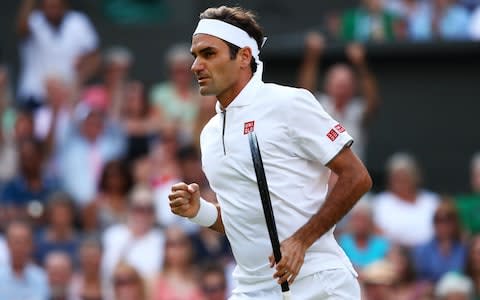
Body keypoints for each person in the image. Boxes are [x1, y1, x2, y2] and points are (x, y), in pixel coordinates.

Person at [168, 5, 372, 299]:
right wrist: (199, 211)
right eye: (195, 55)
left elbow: (357, 176)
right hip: (251, 290)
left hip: (318, 283)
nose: (196, 66)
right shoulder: (210, 134)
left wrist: (301, 241)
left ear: (244, 57)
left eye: (209, 54)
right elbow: (247, 220)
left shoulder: (288, 103)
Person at [297, 32, 380, 162]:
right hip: (323, 177)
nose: (342, 87)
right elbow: (305, 91)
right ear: (327, 85)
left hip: (354, 177)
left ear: (353, 88)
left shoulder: (357, 110)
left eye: (346, 83)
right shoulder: (320, 106)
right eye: (338, 83)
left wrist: (360, 63)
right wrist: (312, 56)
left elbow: (373, 100)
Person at [16, 0, 100, 108]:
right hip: (34, 95)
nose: (52, 10)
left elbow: (95, 57)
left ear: (65, 5)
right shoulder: (34, 21)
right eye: (49, 6)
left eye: (56, 6)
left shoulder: (78, 22)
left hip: (69, 96)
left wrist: (81, 75)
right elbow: (21, 29)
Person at [372, 152, 440, 247]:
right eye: (397, 178)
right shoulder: (380, 202)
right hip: (393, 254)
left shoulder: (432, 201)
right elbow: (375, 233)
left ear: (415, 177)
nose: (401, 182)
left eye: (405, 177)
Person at [413, 199, 467, 283]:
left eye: (448, 220)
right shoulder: (422, 250)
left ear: (456, 222)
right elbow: (421, 279)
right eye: (438, 220)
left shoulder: (466, 248)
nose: (443, 225)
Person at [0, 220, 49, 300]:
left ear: (31, 245)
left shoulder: (43, 278)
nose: (19, 247)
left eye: (24, 242)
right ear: (7, 244)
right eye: (16, 242)